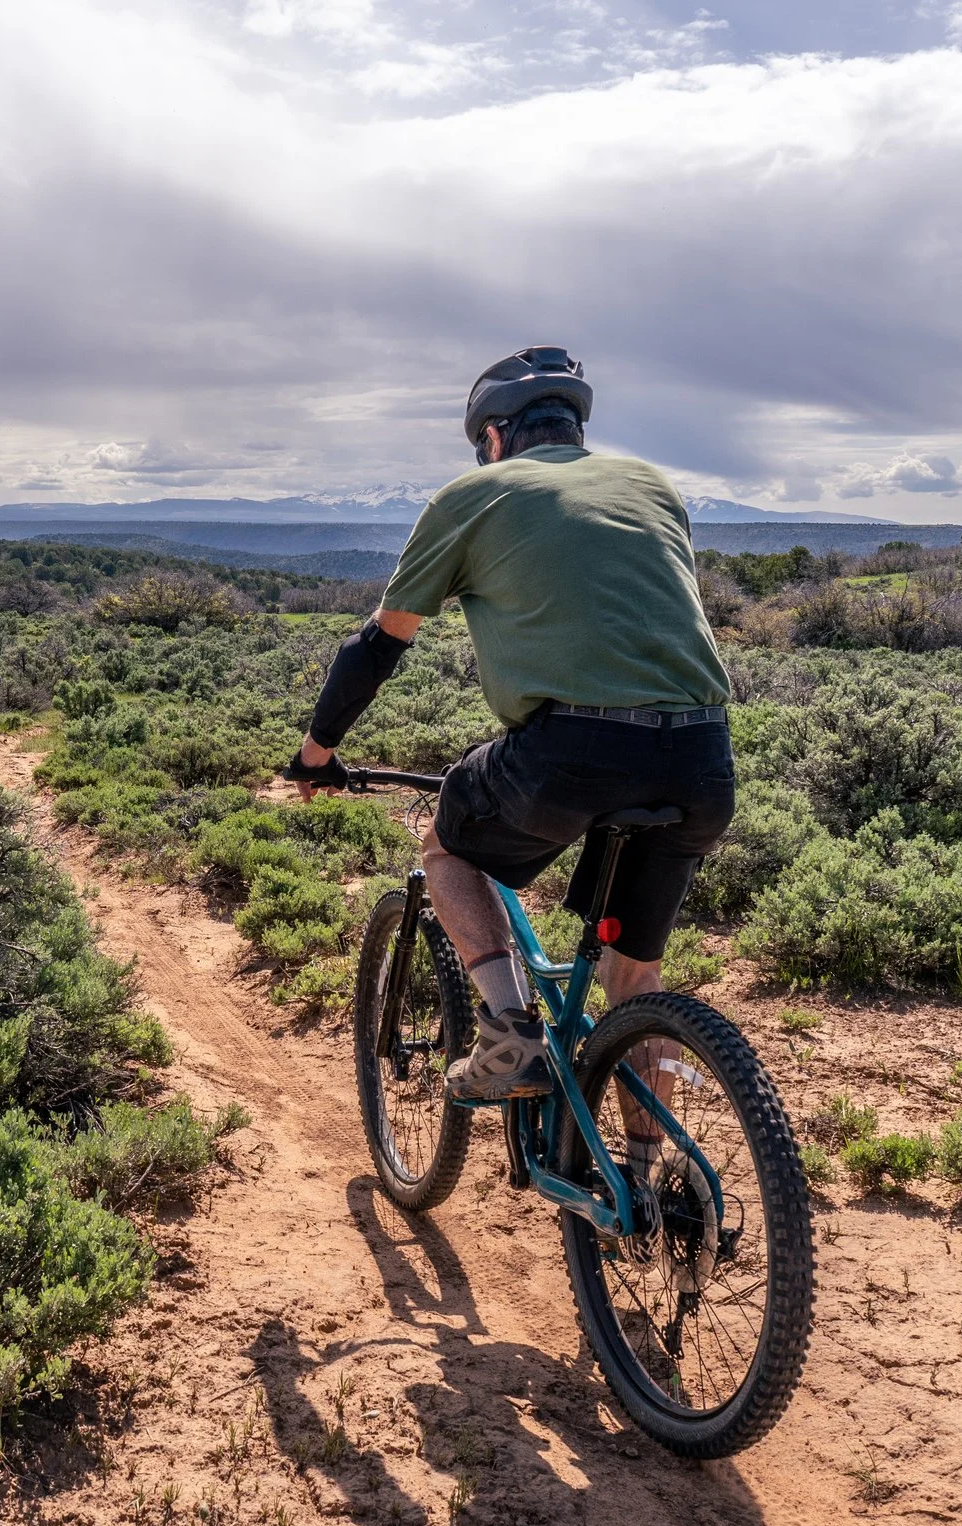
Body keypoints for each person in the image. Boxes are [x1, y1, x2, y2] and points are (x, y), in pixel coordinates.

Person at [281, 347, 734, 1164]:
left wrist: (317, 753)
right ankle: (651, 1183)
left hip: (573, 751)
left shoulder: (474, 495)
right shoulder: (653, 488)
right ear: (572, 430)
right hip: (702, 754)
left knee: (450, 846)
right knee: (635, 977)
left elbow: (376, 648)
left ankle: (512, 1034)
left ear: (493, 437)